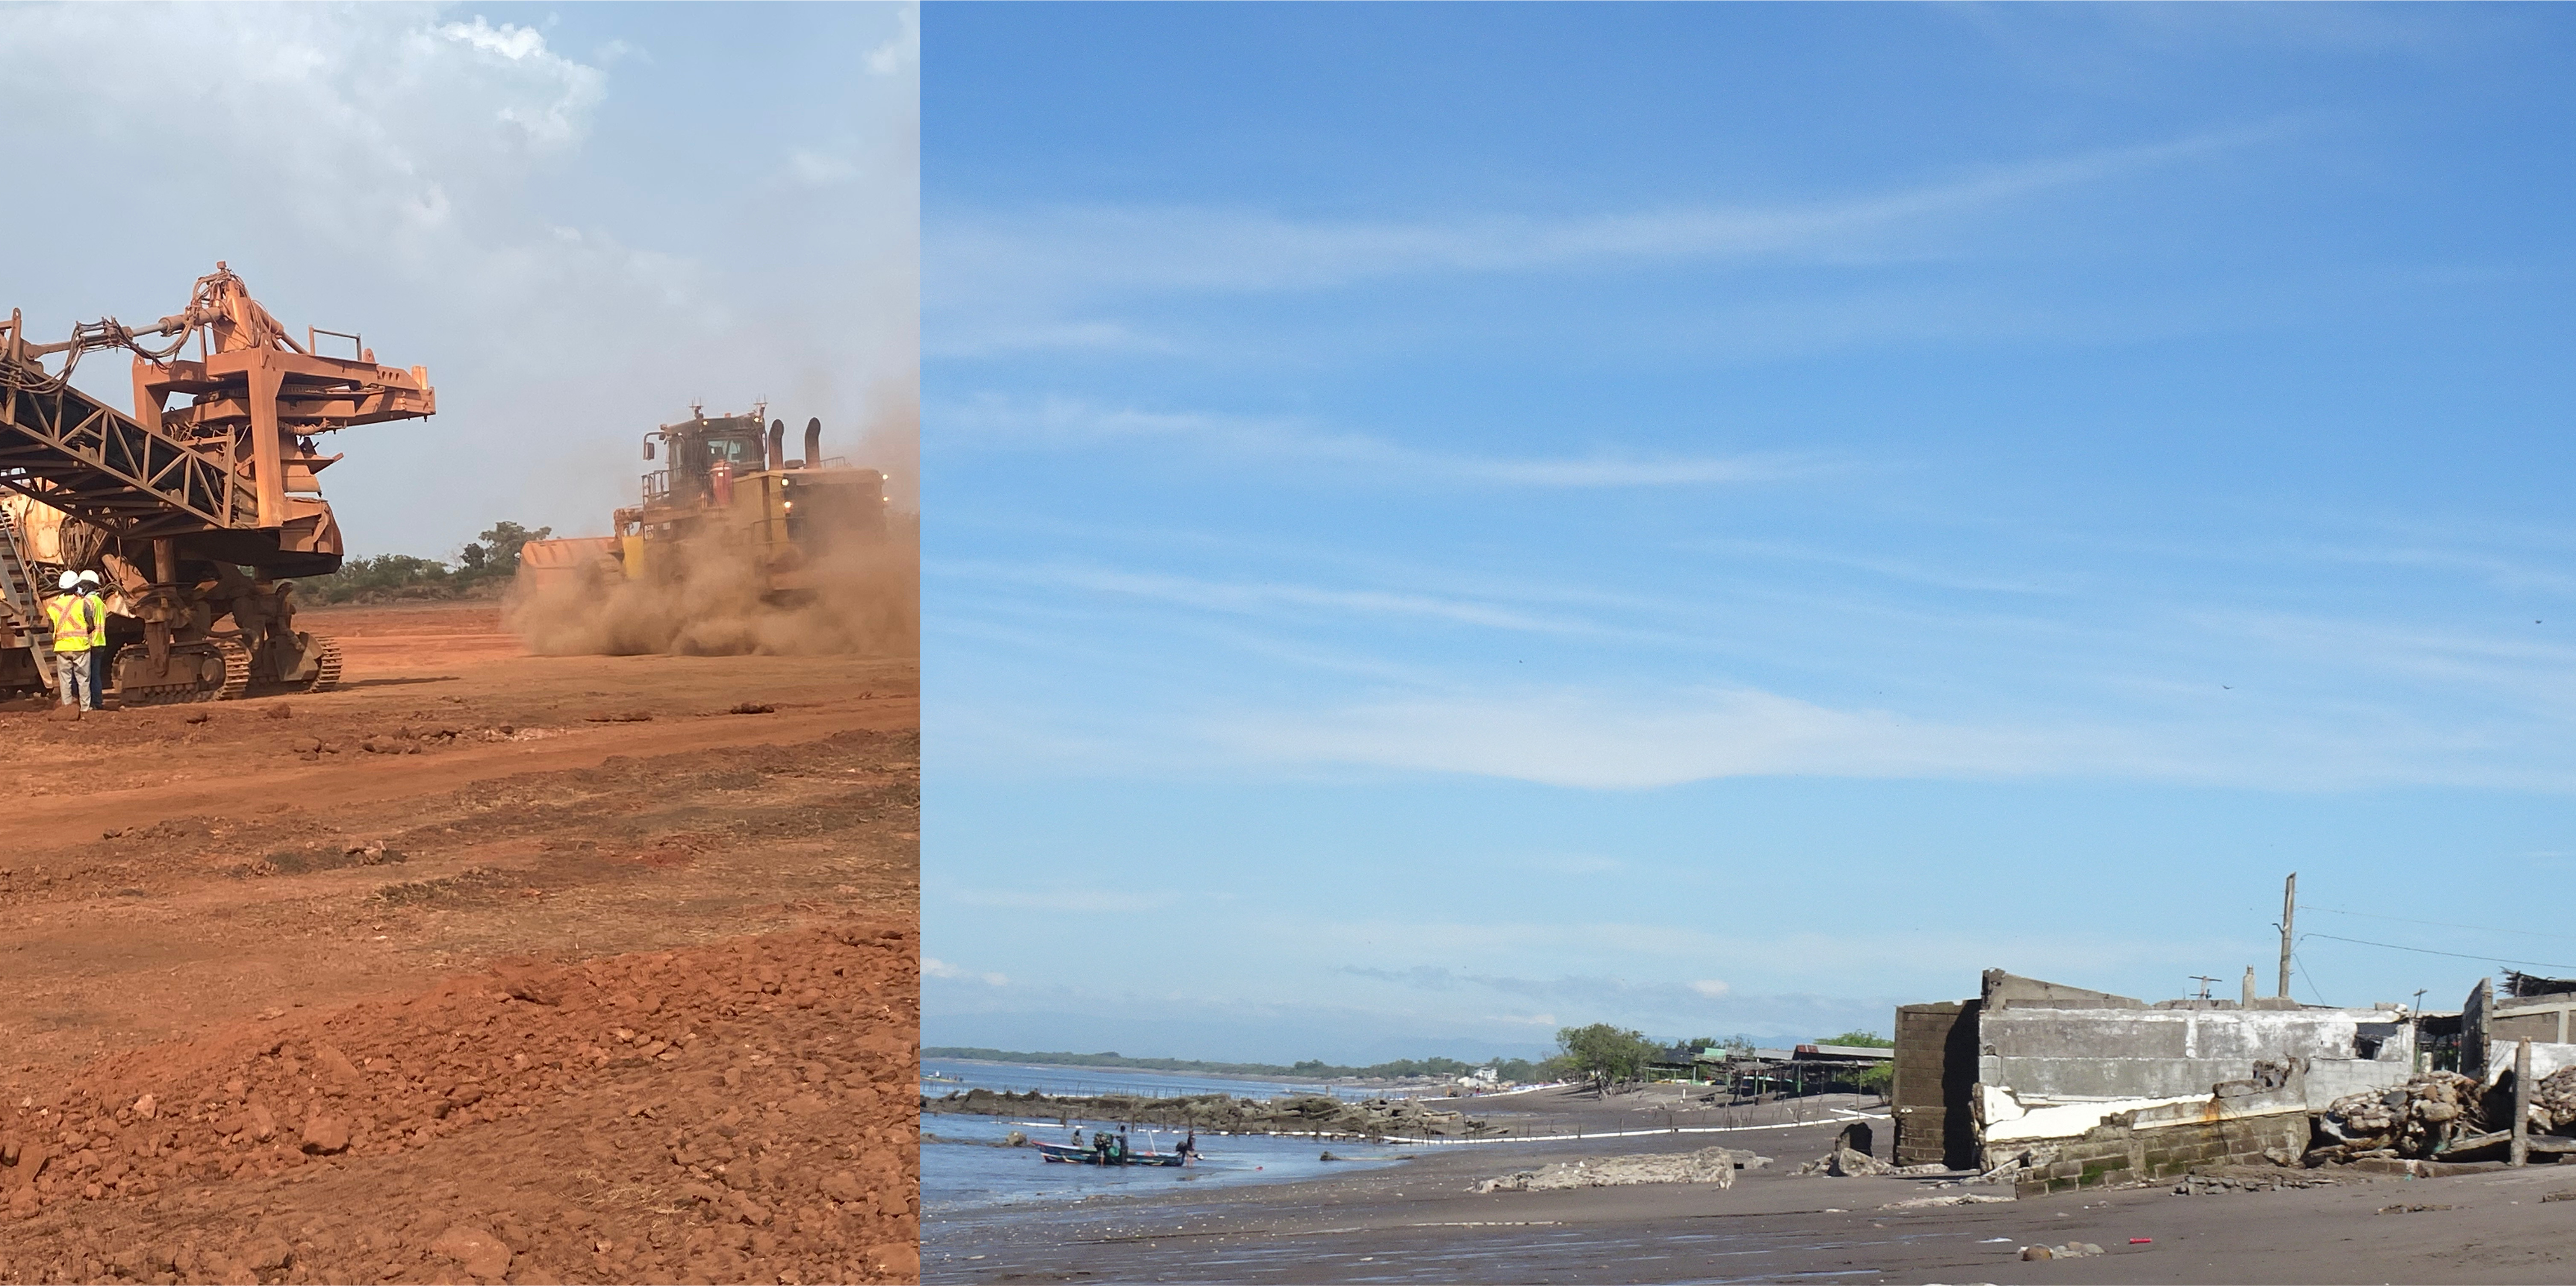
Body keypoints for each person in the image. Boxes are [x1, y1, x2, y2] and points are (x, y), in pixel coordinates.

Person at [41, 570, 93, 711]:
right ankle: (85, 708)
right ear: (76, 586)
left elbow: (51, 629)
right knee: (83, 680)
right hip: (80, 647)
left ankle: (67, 708)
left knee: (65, 681)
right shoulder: (83, 603)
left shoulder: (53, 607)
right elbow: (91, 626)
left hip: (62, 647)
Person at [76, 570, 107, 703]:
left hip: (91, 643)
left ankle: (90, 703)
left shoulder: (87, 602)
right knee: (96, 675)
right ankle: (98, 702)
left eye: (82, 585)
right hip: (101, 642)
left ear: (89, 585)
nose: (80, 588)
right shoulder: (100, 602)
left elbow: (87, 623)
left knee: (86, 676)